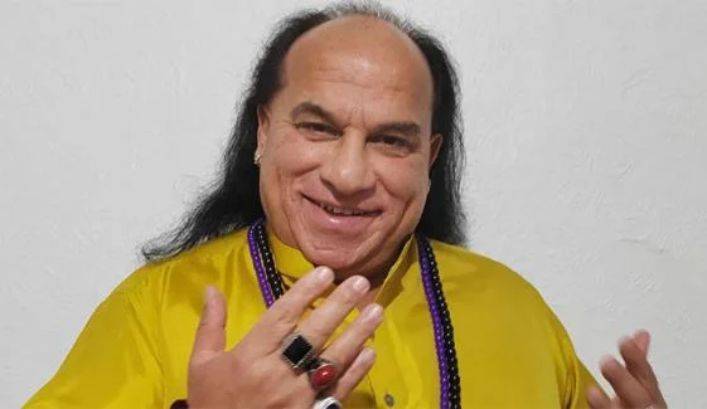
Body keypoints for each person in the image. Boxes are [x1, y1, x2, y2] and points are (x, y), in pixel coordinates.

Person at [24, 3, 667, 409]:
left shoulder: (516, 313)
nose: (349, 174)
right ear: (262, 132)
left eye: (391, 140)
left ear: (430, 158)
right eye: (318, 128)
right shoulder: (155, 310)